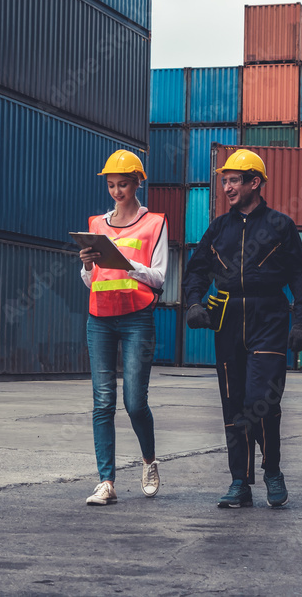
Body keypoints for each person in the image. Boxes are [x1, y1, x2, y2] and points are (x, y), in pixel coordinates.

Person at [182, 149, 302, 508]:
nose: (227, 187)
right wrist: (195, 302)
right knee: (234, 404)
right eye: (224, 180)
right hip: (227, 319)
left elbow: (300, 277)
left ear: (255, 182)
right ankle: (239, 481)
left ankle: (272, 471)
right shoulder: (218, 229)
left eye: (234, 180)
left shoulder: (280, 226)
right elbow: (196, 271)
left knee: (261, 399)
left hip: (269, 317)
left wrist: (301, 322)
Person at [79, 150, 168, 506]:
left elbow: (160, 278)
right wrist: (86, 266)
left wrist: (128, 264)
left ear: (137, 183)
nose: (117, 192)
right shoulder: (96, 225)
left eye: (124, 185)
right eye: (112, 185)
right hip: (99, 317)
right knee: (102, 403)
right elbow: (90, 282)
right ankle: (106, 482)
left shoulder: (155, 223)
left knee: (134, 403)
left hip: (137, 318)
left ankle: (148, 461)